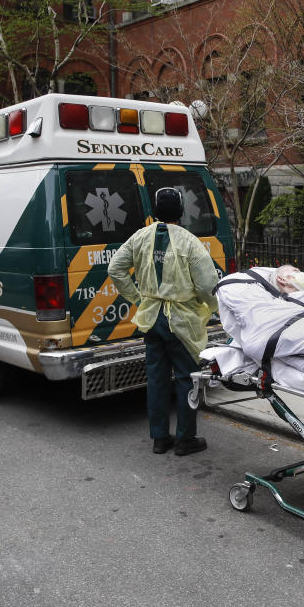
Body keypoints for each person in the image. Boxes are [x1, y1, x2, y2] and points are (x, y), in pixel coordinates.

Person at [107, 187, 219, 456]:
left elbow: (115, 269)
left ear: (154, 210)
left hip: (151, 318)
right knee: (186, 378)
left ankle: (159, 438)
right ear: (181, 211)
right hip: (181, 321)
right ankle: (185, 439)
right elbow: (207, 285)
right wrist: (214, 309)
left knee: (156, 379)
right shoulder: (190, 242)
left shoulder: (140, 237)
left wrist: (138, 298)